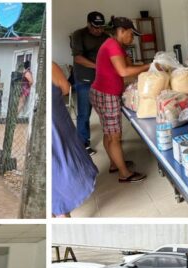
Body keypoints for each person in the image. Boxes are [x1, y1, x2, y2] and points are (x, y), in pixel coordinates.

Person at [90, 16, 150, 183]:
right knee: (114, 136)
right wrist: (148, 66)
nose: (133, 38)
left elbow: (128, 66)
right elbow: (124, 71)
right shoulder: (113, 45)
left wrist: (141, 69)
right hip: (106, 95)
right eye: (131, 34)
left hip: (102, 93)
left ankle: (114, 164)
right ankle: (124, 173)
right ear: (121, 31)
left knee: (109, 134)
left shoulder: (116, 46)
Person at [52, 62, 98, 217]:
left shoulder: (26, 75)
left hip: (41, 128)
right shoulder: (49, 66)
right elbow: (66, 89)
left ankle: (57, 209)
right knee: (64, 158)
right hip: (56, 124)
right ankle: (62, 209)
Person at [71, 11, 109, 156]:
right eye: (95, 27)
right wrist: (98, 66)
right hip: (85, 79)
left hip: (103, 79)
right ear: (88, 24)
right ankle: (83, 143)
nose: (99, 30)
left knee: (107, 111)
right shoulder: (78, 35)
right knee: (84, 113)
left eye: (101, 27)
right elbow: (78, 58)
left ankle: (111, 137)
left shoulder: (106, 37)